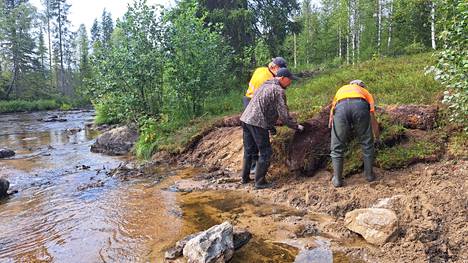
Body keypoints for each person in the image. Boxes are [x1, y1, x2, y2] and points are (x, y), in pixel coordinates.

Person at [240, 68, 304, 189]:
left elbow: (264, 106)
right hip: (257, 122)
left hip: (245, 119)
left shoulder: (265, 84)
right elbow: (284, 115)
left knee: (249, 150)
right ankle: (259, 182)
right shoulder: (278, 91)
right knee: (266, 152)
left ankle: (244, 178)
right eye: (289, 80)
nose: (290, 83)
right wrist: (296, 126)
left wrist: (270, 126)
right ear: (282, 78)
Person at [328, 80, 380, 187]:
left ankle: (337, 180)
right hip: (360, 105)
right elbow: (372, 118)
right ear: (361, 86)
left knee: (337, 147)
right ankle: (369, 175)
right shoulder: (365, 92)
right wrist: (377, 136)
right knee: (366, 143)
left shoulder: (341, 90)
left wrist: (336, 134)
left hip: (340, 107)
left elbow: (331, 118)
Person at [242, 57, 287, 175]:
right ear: (275, 67)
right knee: (259, 136)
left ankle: (247, 174)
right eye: (281, 69)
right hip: (255, 104)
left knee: (249, 139)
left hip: (247, 100)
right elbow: (269, 106)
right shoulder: (269, 79)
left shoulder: (260, 70)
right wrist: (270, 125)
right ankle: (256, 171)